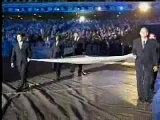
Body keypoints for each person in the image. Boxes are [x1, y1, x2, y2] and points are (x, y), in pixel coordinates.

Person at [132, 27, 158, 103]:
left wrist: (155, 65)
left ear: (147, 33)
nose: (143, 33)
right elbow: (134, 50)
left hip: (149, 64)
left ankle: (146, 96)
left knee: (147, 81)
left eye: (145, 32)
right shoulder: (135, 41)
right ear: (140, 33)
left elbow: (154, 54)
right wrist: (133, 53)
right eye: (141, 32)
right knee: (139, 80)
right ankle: (140, 96)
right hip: (139, 64)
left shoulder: (152, 43)